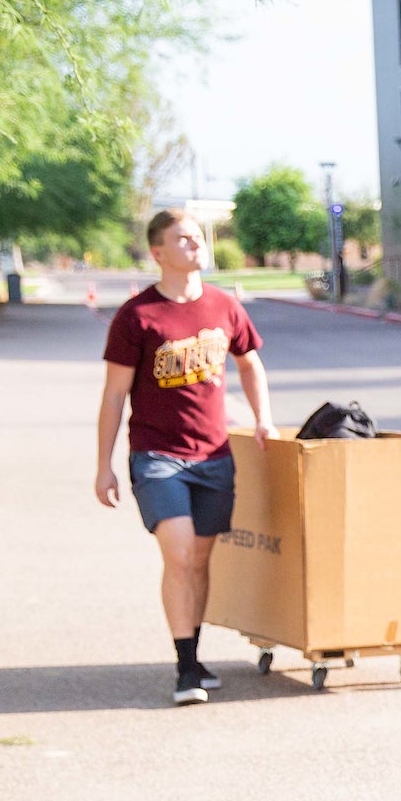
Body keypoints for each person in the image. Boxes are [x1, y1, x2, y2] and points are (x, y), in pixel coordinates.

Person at [95, 210, 277, 706]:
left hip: (214, 454)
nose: (195, 243)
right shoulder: (137, 317)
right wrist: (104, 464)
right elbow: (114, 395)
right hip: (157, 455)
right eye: (183, 238)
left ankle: (194, 656)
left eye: (198, 236)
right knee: (178, 553)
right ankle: (184, 669)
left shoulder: (224, 306)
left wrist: (263, 418)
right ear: (158, 252)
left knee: (200, 559)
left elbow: (250, 363)